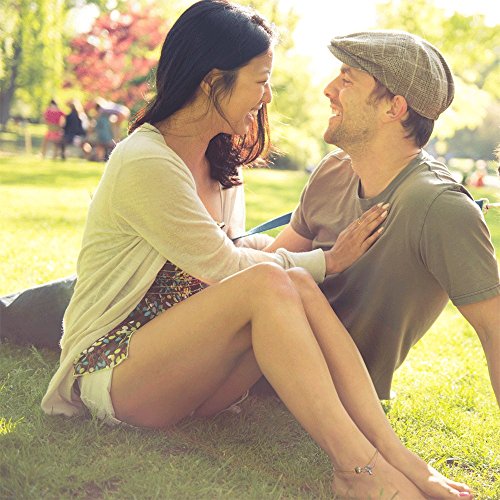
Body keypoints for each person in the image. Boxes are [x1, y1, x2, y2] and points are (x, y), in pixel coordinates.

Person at [9, 2, 472, 498]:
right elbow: (224, 266)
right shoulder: (144, 160)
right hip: (117, 372)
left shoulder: (221, 163)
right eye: (260, 80)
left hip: (195, 380)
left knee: (292, 282)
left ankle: (396, 454)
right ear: (213, 82)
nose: (267, 95)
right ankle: (356, 470)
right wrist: (329, 261)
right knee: (276, 279)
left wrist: (292, 263)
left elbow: (228, 251)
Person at [264, 30, 500, 407]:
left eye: (347, 80)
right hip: (262, 344)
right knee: (250, 253)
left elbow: (494, 330)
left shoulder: (440, 206)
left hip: (319, 381)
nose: (328, 90)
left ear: (394, 108)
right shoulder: (333, 170)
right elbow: (267, 269)